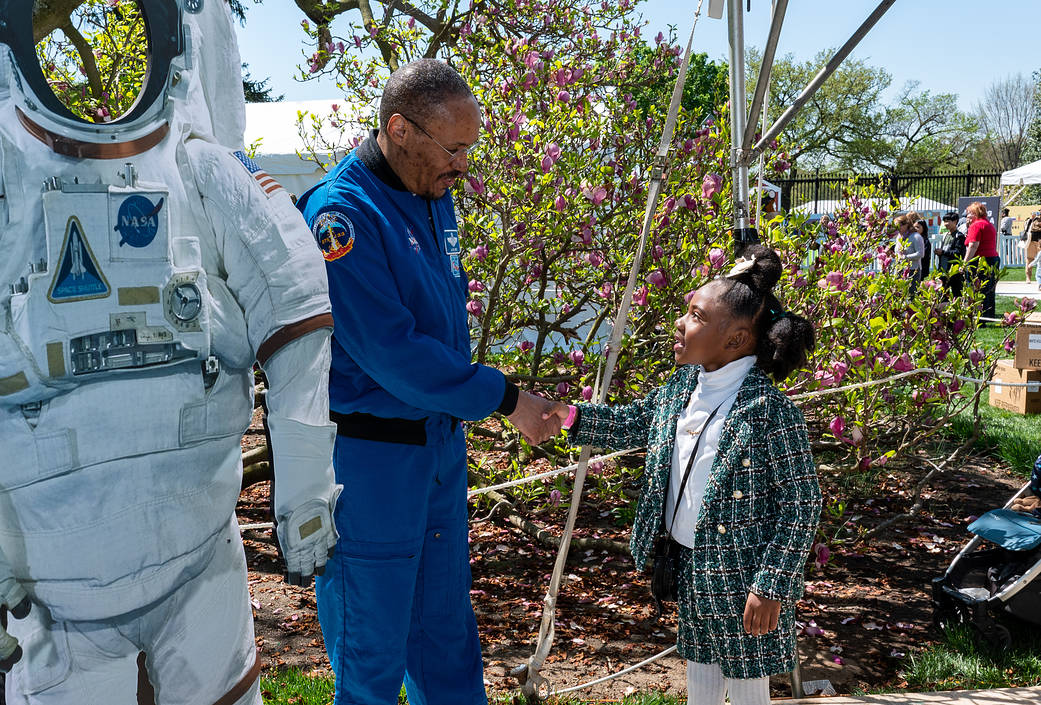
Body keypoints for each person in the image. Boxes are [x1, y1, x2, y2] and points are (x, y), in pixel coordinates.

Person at [0, 2, 340, 703]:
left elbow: (297, 311)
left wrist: (306, 502)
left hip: (200, 559)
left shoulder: (199, 165)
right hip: (54, 589)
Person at [295, 59, 559, 705]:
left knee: (446, 646)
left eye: (469, 147)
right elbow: (391, 351)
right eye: (454, 147)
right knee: (372, 658)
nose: (462, 164)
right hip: (372, 462)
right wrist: (505, 397)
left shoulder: (430, 194)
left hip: (437, 451)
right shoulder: (341, 213)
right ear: (399, 129)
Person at [544, 244, 821, 705]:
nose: (680, 322)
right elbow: (635, 422)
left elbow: (802, 504)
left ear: (734, 340)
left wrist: (771, 584)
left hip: (746, 580)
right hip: (692, 566)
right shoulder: (683, 386)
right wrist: (568, 415)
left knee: (750, 688)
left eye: (695, 315)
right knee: (702, 677)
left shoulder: (770, 412)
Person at [963, 201, 1001, 321]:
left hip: (980, 260)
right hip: (992, 259)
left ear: (975, 214)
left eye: (969, 213)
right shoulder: (988, 224)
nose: (967, 216)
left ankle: (978, 316)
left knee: (976, 288)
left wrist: (964, 263)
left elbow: (973, 246)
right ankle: (988, 316)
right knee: (988, 289)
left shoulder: (976, 225)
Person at [935, 210, 967, 297]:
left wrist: (943, 252)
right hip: (943, 270)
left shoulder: (959, 236)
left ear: (955, 222)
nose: (946, 223)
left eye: (948, 221)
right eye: (945, 221)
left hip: (954, 270)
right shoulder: (945, 235)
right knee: (942, 294)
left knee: (957, 293)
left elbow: (958, 252)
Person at [893, 215, 923, 290]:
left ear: (906, 225)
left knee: (911, 293)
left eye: (899, 226)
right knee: (898, 293)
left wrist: (905, 257)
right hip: (900, 268)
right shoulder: (899, 237)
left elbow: (920, 253)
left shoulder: (916, 237)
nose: (897, 229)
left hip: (913, 269)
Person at [1025, 211, 1041, 282]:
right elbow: (1026, 228)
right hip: (1032, 240)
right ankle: (1028, 277)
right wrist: (1032, 219)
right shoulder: (1032, 219)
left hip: (1038, 241)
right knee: (1029, 259)